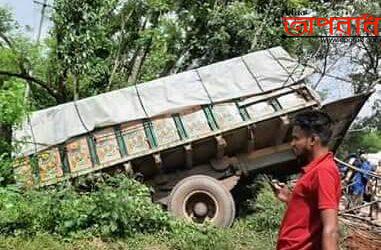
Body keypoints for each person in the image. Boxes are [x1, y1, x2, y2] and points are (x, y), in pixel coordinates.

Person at [274, 110, 340, 250]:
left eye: (296, 138)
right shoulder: (315, 169)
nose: (292, 143)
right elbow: (311, 210)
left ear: (312, 140)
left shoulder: (323, 171)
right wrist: (289, 199)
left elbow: (331, 228)